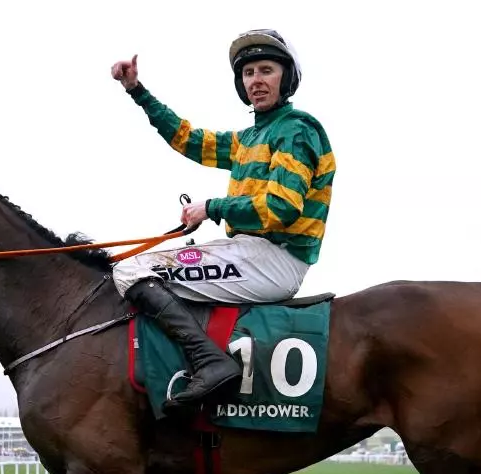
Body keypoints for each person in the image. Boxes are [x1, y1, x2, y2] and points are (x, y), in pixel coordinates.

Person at [109, 29, 336, 412]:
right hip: (251, 251)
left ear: (286, 77)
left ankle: (209, 361)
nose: (257, 80)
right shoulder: (250, 137)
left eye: (266, 70)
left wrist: (211, 208)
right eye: (249, 73)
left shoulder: (296, 130)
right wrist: (137, 90)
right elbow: (188, 139)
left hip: (275, 258)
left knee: (131, 272)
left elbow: (282, 207)